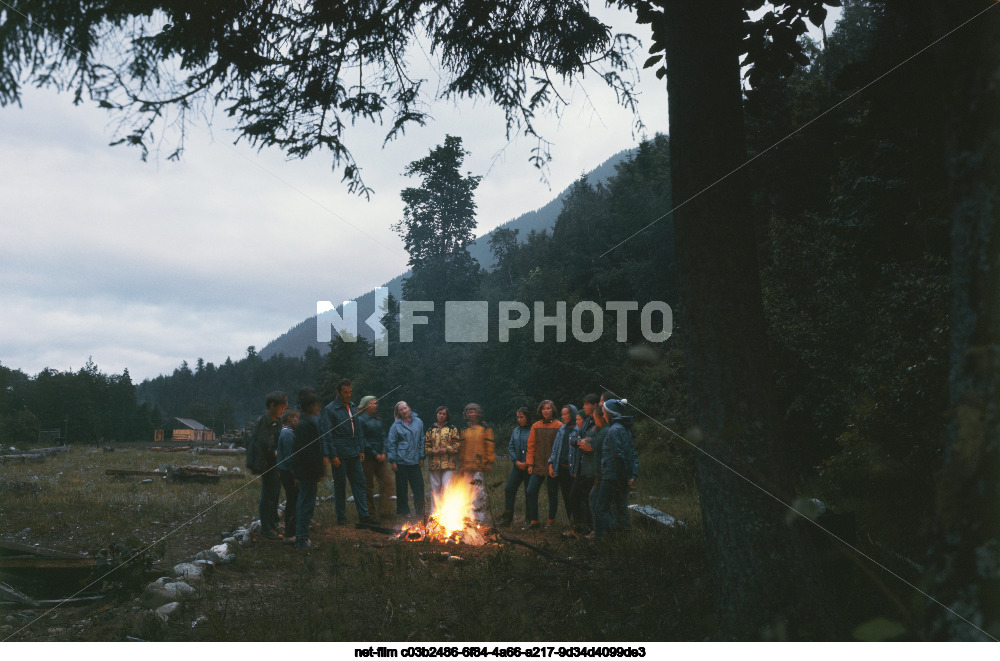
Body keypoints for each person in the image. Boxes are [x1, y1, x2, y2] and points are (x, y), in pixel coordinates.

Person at [320, 378, 371, 524]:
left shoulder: (353, 407)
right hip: (339, 454)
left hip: (354, 452)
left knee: (360, 483)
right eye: (345, 392)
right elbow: (327, 434)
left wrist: (361, 449)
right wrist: (332, 454)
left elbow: (358, 429)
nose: (348, 395)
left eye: (350, 392)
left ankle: (364, 515)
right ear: (338, 392)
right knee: (340, 485)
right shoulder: (330, 410)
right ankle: (341, 517)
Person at [593, 398, 638, 539]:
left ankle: (614, 535)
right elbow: (632, 453)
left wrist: (621, 478)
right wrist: (631, 475)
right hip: (621, 476)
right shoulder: (625, 429)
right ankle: (625, 538)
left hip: (612, 476)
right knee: (620, 507)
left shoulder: (613, 430)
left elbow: (618, 455)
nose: (603, 415)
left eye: (604, 412)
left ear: (610, 413)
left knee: (600, 507)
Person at [292, 389, 328, 549]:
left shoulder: (307, 423)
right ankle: (301, 539)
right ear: (312, 406)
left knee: (306, 503)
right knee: (305, 504)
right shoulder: (306, 425)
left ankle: (302, 537)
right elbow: (305, 452)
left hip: (308, 471)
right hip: (307, 471)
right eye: (317, 404)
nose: (319, 407)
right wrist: (317, 468)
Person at [250, 391, 287, 539]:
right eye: (281, 407)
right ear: (272, 405)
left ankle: (273, 522)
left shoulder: (277, 420)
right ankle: (265, 528)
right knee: (267, 494)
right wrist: (273, 452)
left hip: (277, 462)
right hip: (266, 463)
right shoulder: (263, 421)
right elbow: (260, 443)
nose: (283, 410)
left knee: (276, 491)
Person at [524, 399, 563, 529]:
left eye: (548, 408)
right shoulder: (536, 426)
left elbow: (561, 447)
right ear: (540, 411)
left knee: (552, 493)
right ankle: (534, 521)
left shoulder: (559, 426)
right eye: (543, 409)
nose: (546, 411)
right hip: (538, 464)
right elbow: (531, 446)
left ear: (553, 410)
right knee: (530, 491)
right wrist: (530, 464)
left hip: (553, 465)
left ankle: (551, 520)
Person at [358, 395, 395, 522]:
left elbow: (383, 436)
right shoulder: (360, 420)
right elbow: (362, 440)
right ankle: (370, 514)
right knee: (368, 486)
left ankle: (384, 512)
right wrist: (375, 454)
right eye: (373, 403)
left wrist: (384, 452)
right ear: (366, 405)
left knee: (387, 482)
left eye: (376, 403)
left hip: (380, 457)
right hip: (368, 458)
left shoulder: (377, 419)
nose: (375, 405)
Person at [457, 403, 495, 524]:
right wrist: (461, 465)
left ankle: (480, 517)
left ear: (478, 413)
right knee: (467, 491)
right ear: (466, 414)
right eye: (469, 412)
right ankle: (468, 516)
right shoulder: (464, 430)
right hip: (467, 465)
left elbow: (490, 446)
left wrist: (489, 462)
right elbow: (462, 448)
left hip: (480, 465)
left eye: (474, 411)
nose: (472, 414)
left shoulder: (485, 428)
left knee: (478, 492)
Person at [568, 394, 600, 535]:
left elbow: (594, 443)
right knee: (574, 496)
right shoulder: (587, 422)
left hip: (591, 467)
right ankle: (579, 527)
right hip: (582, 466)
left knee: (587, 498)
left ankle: (589, 529)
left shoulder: (598, 422)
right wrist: (580, 442)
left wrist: (587, 443)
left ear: (594, 405)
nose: (584, 407)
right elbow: (574, 438)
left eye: (587, 404)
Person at [387, 401, 425, 518]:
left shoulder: (418, 422)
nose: (404, 411)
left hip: (415, 461)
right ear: (398, 412)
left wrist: (422, 456)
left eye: (405, 408)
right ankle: (403, 512)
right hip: (401, 461)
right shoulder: (396, 425)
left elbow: (421, 440)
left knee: (419, 487)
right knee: (402, 488)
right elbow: (391, 444)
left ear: (409, 408)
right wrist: (393, 460)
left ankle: (420, 511)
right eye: (401, 410)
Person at [548, 404, 579, 532]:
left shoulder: (578, 429)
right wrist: (551, 463)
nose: (564, 416)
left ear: (573, 414)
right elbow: (555, 448)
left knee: (575, 497)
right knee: (566, 496)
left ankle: (579, 523)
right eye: (563, 414)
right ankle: (572, 523)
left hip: (574, 470)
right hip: (561, 468)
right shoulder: (562, 430)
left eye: (567, 414)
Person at [425, 406, 460, 516]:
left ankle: (448, 515)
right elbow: (426, 447)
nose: (441, 415)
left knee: (447, 488)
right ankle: (435, 515)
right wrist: (432, 451)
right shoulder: (431, 430)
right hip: (434, 464)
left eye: (444, 414)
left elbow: (457, 445)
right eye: (439, 413)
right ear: (436, 414)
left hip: (448, 464)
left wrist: (447, 449)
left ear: (447, 416)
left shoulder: (452, 429)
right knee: (435, 490)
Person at [499, 407, 532, 526]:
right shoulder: (516, 431)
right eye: (518, 417)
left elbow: (534, 448)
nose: (519, 419)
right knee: (509, 488)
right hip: (517, 466)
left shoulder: (533, 430)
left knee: (529, 492)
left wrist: (527, 463)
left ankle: (529, 519)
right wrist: (516, 461)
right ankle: (507, 519)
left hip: (529, 467)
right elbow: (511, 447)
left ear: (527, 417)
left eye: (521, 417)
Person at [276, 408, 300, 544]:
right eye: (297, 418)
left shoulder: (286, 432)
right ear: (290, 418)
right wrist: (295, 474)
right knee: (293, 501)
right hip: (288, 472)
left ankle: (290, 530)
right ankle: (291, 532)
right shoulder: (288, 434)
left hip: (285, 471)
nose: (299, 421)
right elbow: (290, 457)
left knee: (292, 500)